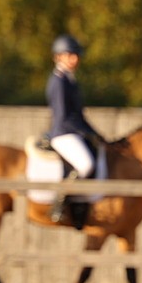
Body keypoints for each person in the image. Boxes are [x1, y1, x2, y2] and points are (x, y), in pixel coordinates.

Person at [45, 33, 106, 228]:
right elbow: (64, 116)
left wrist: (95, 133)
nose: (75, 59)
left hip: (71, 130)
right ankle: (60, 201)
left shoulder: (69, 80)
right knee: (86, 164)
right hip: (63, 133)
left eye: (76, 55)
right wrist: (84, 132)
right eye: (70, 55)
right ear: (58, 57)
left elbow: (80, 115)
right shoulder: (59, 81)